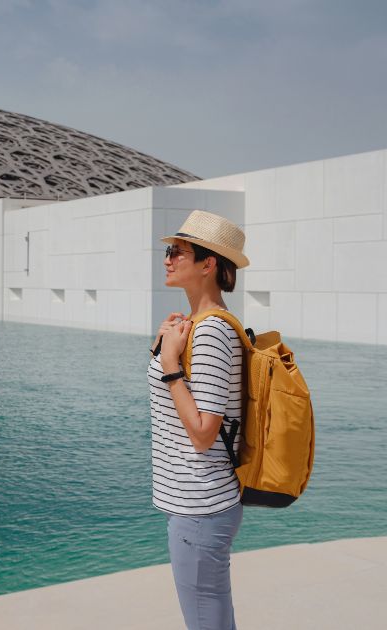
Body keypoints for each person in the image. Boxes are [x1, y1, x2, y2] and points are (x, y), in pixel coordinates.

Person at [149, 210, 250, 630]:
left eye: (178, 252)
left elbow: (204, 433)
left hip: (200, 504)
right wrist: (165, 348)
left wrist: (170, 364)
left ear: (208, 264)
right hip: (198, 503)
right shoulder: (199, 326)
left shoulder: (211, 333)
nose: (167, 259)